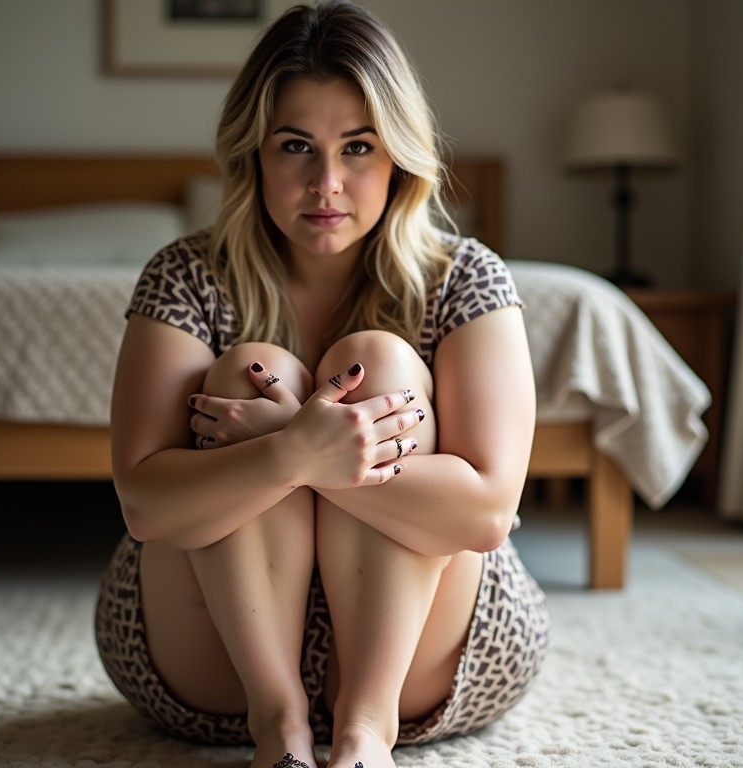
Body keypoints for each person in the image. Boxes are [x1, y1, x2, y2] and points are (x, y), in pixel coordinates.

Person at [95, 2, 549, 767]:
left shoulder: (464, 277)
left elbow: (487, 513)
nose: (326, 183)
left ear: (398, 155)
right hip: (213, 657)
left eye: (359, 148)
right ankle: (280, 729)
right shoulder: (185, 275)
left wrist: (289, 444)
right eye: (297, 146)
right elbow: (144, 505)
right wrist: (294, 453)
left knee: (381, 359)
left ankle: (366, 734)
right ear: (255, 155)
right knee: (250, 366)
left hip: (425, 663)